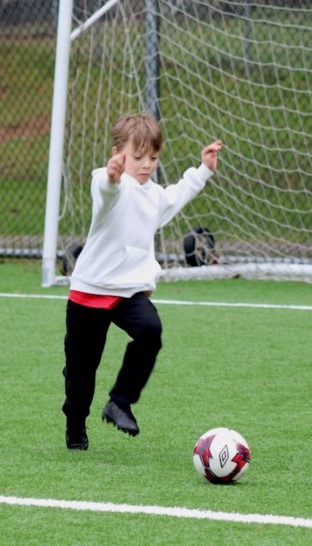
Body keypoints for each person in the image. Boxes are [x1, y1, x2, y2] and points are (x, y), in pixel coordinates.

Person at [62, 112, 222, 450]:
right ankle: (75, 426)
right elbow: (106, 193)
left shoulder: (154, 195)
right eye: (138, 157)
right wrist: (111, 177)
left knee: (150, 330)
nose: (146, 164)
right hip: (89, 291)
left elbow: (178, 194)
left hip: (128, 293)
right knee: (81, 373)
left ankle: (120, 401)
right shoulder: (108, 183)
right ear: (118, 152)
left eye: (153, 157)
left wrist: (204, 169)